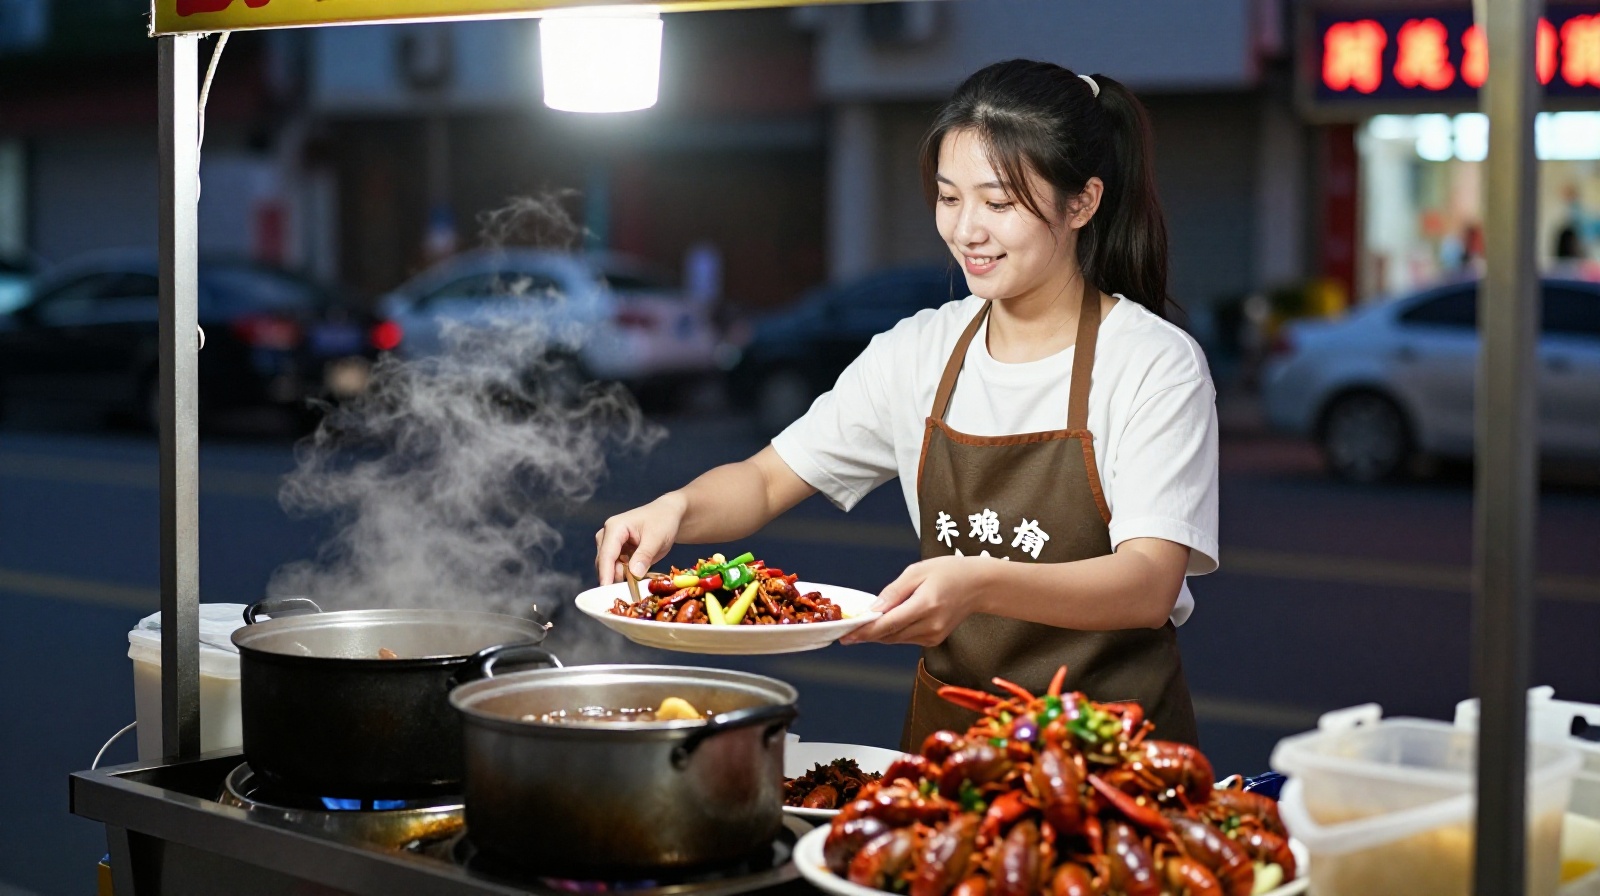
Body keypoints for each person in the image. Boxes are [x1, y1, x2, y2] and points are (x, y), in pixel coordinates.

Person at [594, 60, 1217, 749]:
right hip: (953, 754)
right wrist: (674, 509)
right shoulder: (917, 353)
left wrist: (978, 584)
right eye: (950, 198)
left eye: (999, 202)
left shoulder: (1153, 362)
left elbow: (1146, 583)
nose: (966, 230)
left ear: (1081, 203)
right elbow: (767, 478)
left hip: (1115, 758)